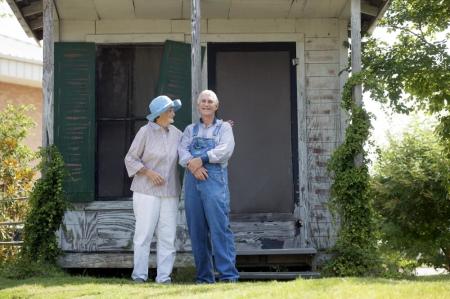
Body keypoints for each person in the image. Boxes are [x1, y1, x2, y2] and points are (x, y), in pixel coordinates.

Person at [178, 89, 239, 283]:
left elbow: (225, 150)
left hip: (214, 180)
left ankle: (228, 276)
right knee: (197, 230)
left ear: (216, 106)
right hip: (192, 181)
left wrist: (202, 158)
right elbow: (182, 151)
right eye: (202, 101)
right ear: (198, 106)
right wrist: (194, 167)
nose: (206, 104)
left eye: (210, 101)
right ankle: (204, 277)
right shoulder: (190, 130)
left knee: (219, 227)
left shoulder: (224, 129)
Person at [124, 95, 182, 284]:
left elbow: (192, 148)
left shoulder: (177, 134)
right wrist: (148, 172)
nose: (173, 113)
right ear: (160, 115)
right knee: (144, 234)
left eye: (173, 109)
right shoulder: (145, 132)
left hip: (170, 192)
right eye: (170, 110)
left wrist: (222, 128)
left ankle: (164, 278)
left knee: (168, 236)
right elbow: (130, 159)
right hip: (145, 191)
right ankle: (139, 276)